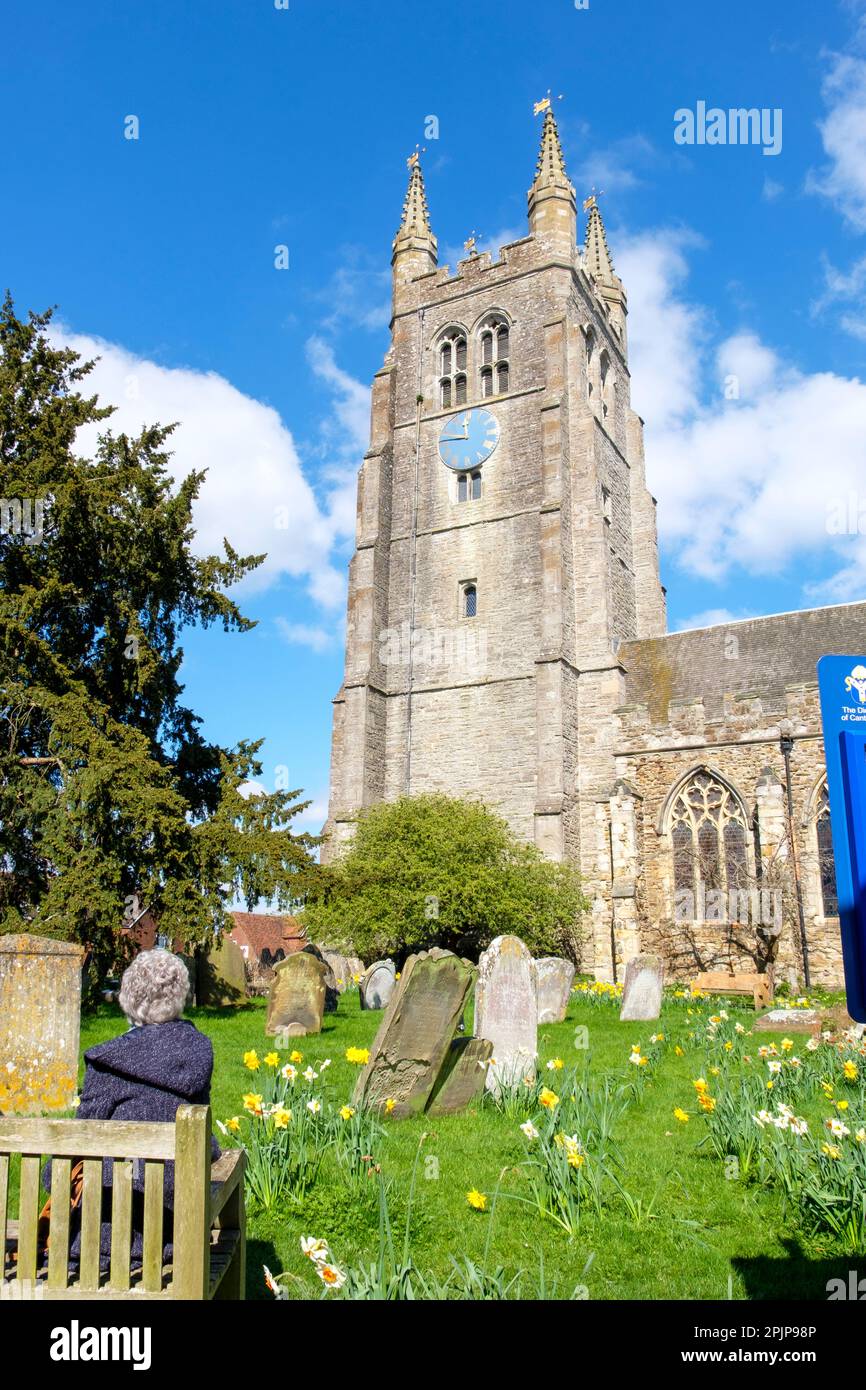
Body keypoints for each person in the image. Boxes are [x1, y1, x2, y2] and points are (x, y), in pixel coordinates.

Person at [55, 948, 220, 1268]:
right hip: (177, 1227)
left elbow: (75, 1145)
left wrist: (51, 1179)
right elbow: (207, 1143)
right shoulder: (199, 1052)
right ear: (180, 996)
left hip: (103, 1235)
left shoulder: (106, 1061)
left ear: (129, 997)